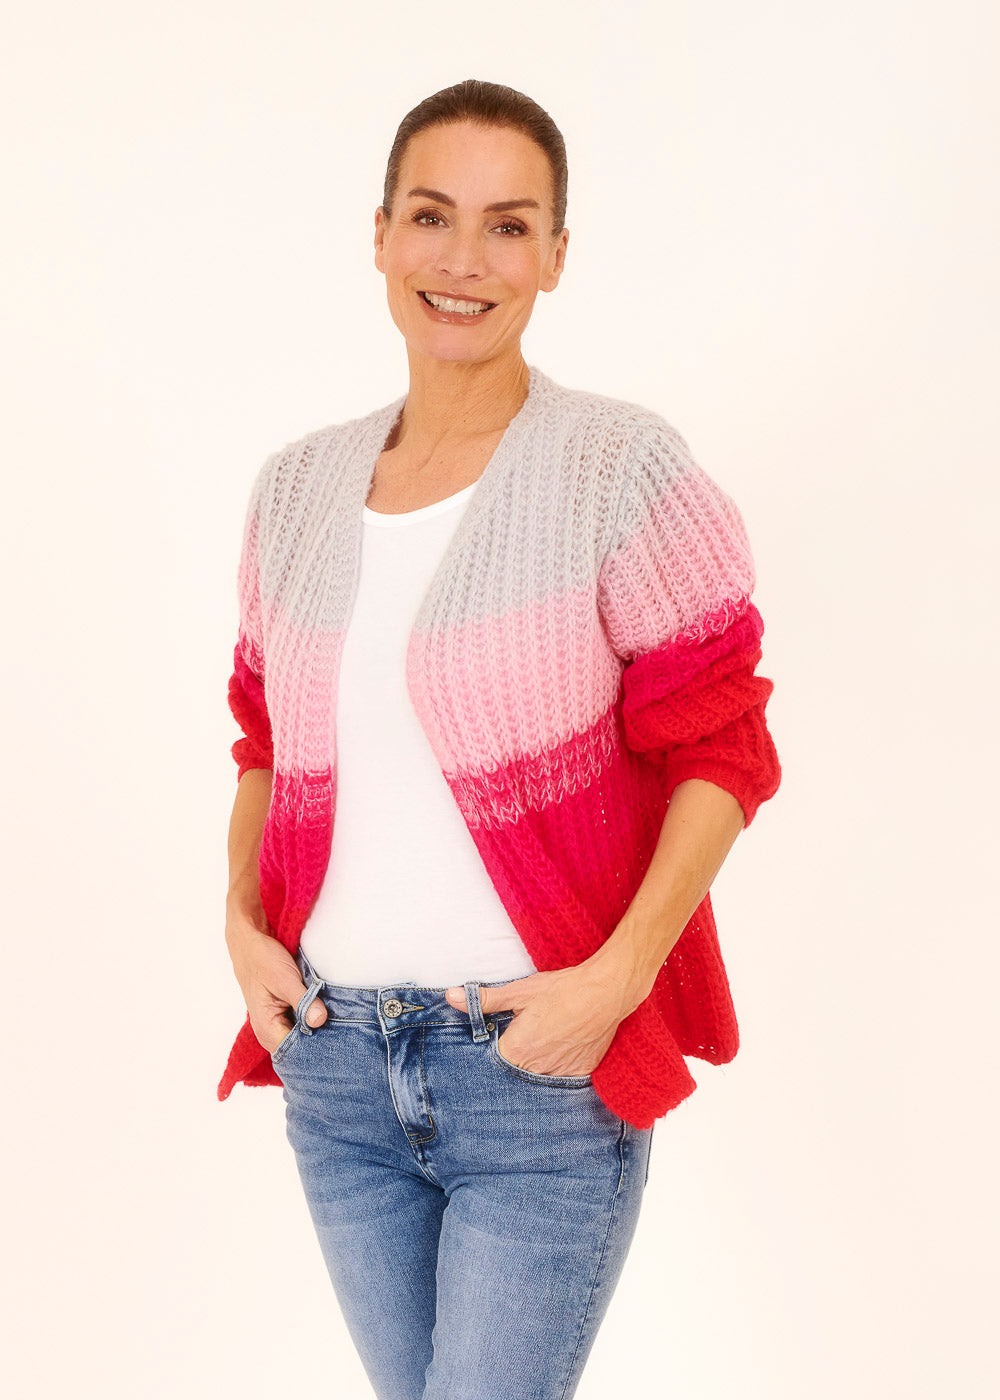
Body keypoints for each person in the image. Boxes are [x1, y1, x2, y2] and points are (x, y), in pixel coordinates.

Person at [221, 78, 781, 1400]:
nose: (464, 259)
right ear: (380, 236)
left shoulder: (616, 468)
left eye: (509, 226)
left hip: (535, 1077)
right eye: (432, 216)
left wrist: (615, 982)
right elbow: (260, 739)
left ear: (556, 256)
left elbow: (723, 748)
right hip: (336, 1071)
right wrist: (238, 924)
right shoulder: (297, 488)